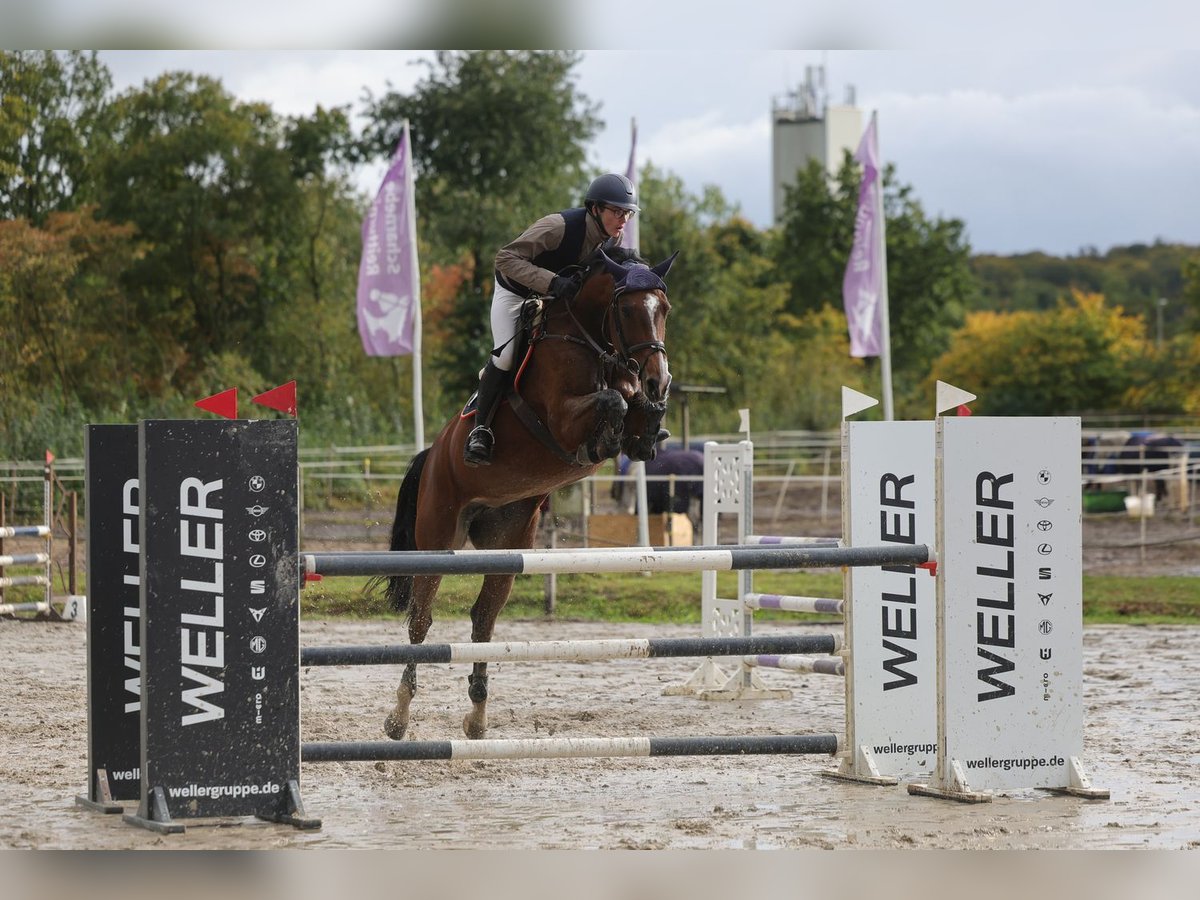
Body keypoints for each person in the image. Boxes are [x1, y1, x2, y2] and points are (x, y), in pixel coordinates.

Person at [463, 172, 640, 466]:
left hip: (556, 300)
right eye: (616, 211)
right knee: (506, 356)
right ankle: (480, 431)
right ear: (595, 208)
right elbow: (505, 259)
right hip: (515, 292)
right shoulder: (558, 226)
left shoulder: (613, 238)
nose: (622, 220)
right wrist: (552, 281)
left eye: (627, 214)